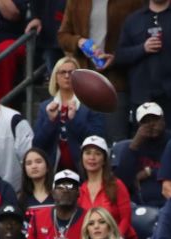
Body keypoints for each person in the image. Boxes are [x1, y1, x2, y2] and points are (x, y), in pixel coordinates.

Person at [57, 0, 147, 139]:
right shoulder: (76, 2)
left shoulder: (131, 2)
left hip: (116, 81)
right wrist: (78, 41)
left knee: (115, 139)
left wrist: (116, 58)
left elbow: (139, 37)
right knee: (84, 140)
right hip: (84, 80)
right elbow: (62, 36)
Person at [112, 0, 171, 135]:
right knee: (142, 146)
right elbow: (120, 56)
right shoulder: (133, 19)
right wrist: (142, 48)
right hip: (142, 97)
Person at [33, 56, 107, 173]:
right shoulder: (45, 107)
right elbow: (37, 144)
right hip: (53, 171)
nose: (67, 76)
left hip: (84, 171)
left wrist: (74, 119)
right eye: (62, 72)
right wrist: (51, 121)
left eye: (71, 73)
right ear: (56, 78)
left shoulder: (90, 104)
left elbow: (98, 139)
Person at [77, 136, 139, 239]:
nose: (92, 157)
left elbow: (126, 218)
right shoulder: (80, 190)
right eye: (87, 153)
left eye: (97, 153)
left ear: (105, 159)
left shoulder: (116, 185)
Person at [25, 170, 87, 239]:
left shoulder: (89, 219)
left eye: (71, 186)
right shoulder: (38, 217)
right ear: (52, 192)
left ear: (78, 192)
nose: (65, 190)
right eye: (60, 187)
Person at [115, 102, 171, 208]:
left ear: (163, 120)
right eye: (145, 122)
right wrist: (134, 145)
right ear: (139, 126)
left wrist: (148, 172)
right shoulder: (133, 146)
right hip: (139, 203)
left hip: (166, 200)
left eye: (154, 119)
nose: (151, 125)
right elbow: (121, 180)